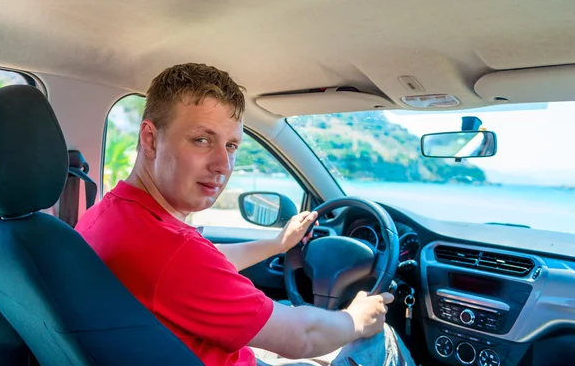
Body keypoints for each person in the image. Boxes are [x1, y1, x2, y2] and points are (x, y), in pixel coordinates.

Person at [75, 63, 415, 366]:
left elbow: (204, 263)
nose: (223, 166)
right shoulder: (171, 251)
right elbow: (302, 337)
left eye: (231, 146)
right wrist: (357, 317)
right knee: (379, 336)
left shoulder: (105, 216)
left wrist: (278, 244)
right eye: (201, 140)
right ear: (150, 139)